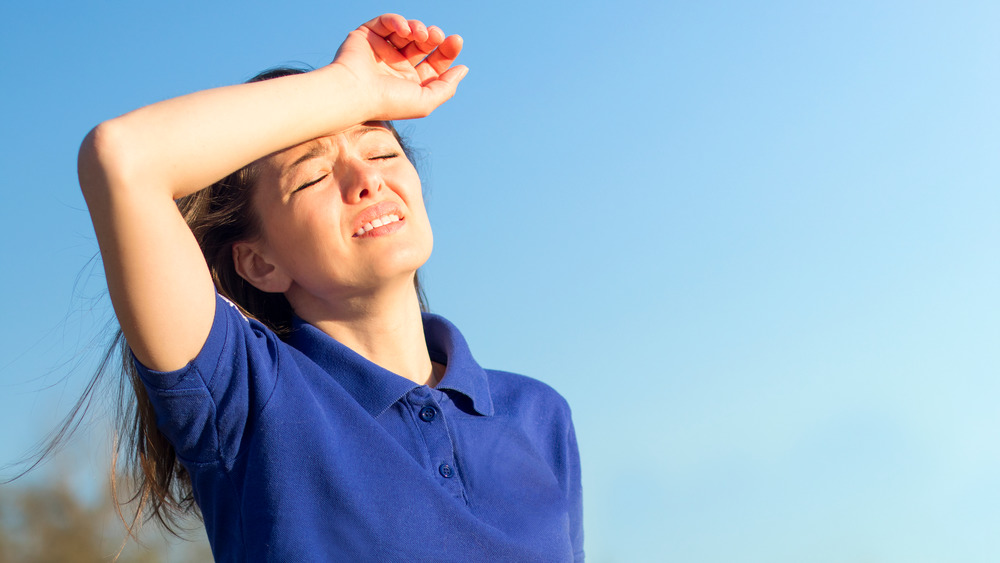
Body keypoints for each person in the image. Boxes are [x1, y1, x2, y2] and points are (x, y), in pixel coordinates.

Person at [77, 13, 583, 561]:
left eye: (384, 153)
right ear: (259, 263)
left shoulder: (538, 414)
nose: (368, 180)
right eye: (314, 176)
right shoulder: (247, 396)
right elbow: (122, 157)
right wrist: (350, 87)